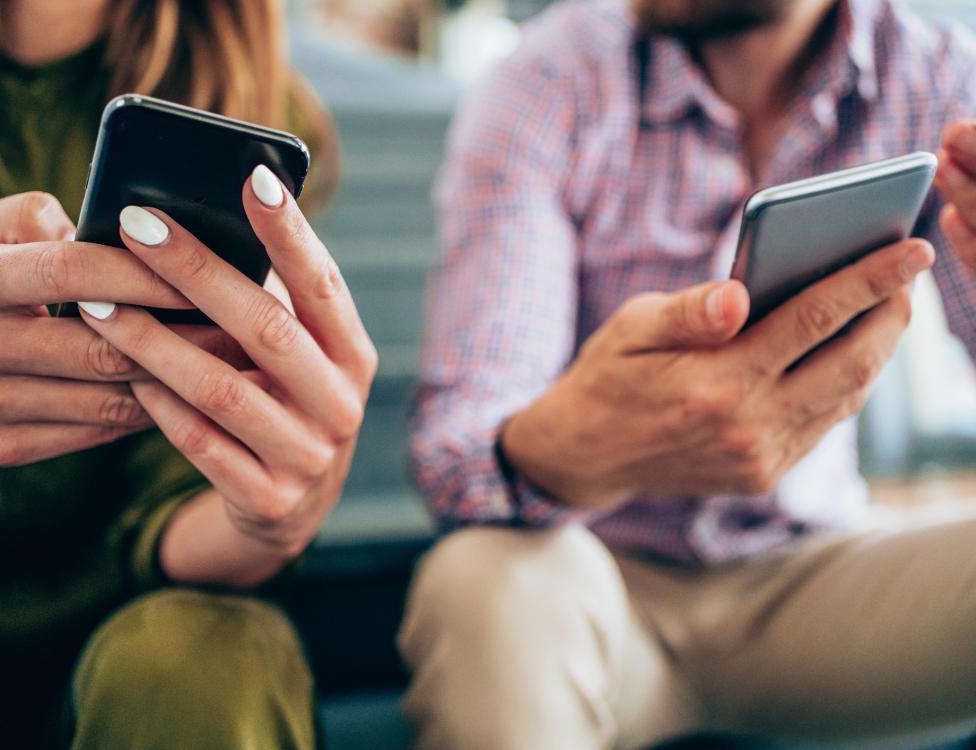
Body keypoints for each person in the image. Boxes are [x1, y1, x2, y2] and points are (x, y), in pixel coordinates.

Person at [400, 0, 976, 747]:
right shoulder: (547, 78)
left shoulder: (935, 76)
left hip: (815, 582)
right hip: (594, 583)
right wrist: (573, 445)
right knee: (478, 576)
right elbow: (457, 445)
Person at [0, 1, 377, 748]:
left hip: (128, 623)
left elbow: (175, 513)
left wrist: (272, 515)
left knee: (193, 667)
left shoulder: (244, 103)